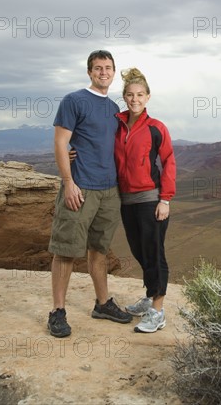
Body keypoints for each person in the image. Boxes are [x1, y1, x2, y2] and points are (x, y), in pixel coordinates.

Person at [47, 50, 132, 338]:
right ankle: (57, 311)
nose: (104, 72)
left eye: (108, 68)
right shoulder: (74, 100)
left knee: (99, 250)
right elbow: (61, 143)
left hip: (109, 191)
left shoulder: (113, 108)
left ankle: (103, 303)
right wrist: (68, 181)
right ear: (89, 72)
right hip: (80, 187)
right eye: (98, 68)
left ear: (113, 72)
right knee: (66, 250)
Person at [115, 68, 176, 333]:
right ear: (124, 97)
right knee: (139, 251)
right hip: (127, 200)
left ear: (148, 97)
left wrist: (165, 199)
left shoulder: (156, 128)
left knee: (154, 253)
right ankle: (150, 296)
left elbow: (169, 162)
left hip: (150, 199)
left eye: (140, 94)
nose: (135, 99)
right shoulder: (117, 125)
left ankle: (158, 310)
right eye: (130, 95)